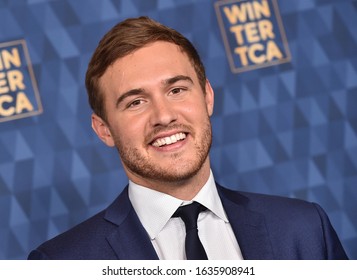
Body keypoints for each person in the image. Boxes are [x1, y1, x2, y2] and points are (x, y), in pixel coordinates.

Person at [28, 16, 348, 260]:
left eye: (177, 90)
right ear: (104, 130)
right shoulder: (60, 263)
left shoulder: (304, 230)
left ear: (207, 97)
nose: (164, 115)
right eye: (136, 102)